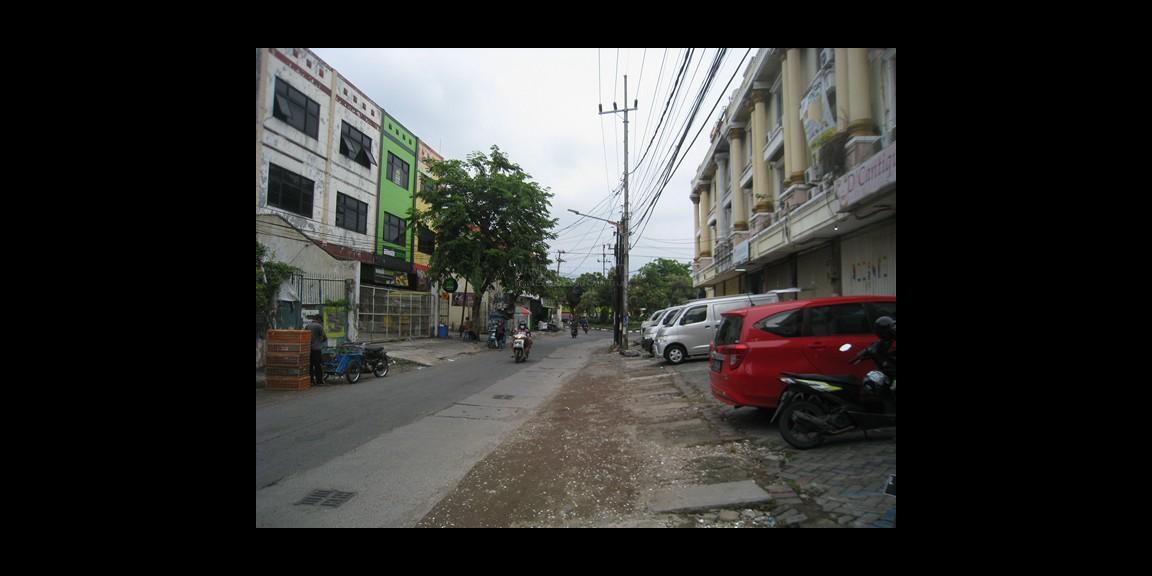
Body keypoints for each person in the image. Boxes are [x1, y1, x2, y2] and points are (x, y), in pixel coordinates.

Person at [305, 314, 326, 386]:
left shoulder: (307, 326)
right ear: (319, 319)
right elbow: (324, 337)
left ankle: (311, 381)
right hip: (317, 349)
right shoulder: (319, 326)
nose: (321, 323)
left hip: (308, 349)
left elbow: (305, 335)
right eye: (321, 321)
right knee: (318, 365)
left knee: (310, 365)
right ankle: (319, 381)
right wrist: (320, 341)